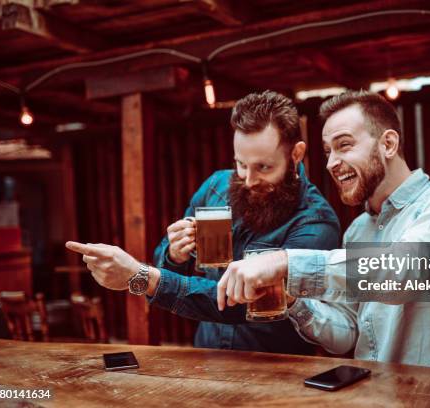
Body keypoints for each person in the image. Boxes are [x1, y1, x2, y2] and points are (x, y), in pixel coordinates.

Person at [216, 91, 430, 375]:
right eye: (328, 151)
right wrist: (292, 299)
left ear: (388, 143)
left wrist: (285, 262)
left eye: (344, 145)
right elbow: (348, 333)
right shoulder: (357, 231)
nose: (330, 163)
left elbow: (403, 270)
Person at [66, 90, 341, 355]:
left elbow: (241, 304)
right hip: (206, 356)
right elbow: (168, 260)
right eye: (241, 164)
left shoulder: (315, 222)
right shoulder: (217, 185)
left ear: (296, 154)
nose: (248, 180)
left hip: (275, 371)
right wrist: (174, 253)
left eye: (264, 167)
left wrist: (139, 277)